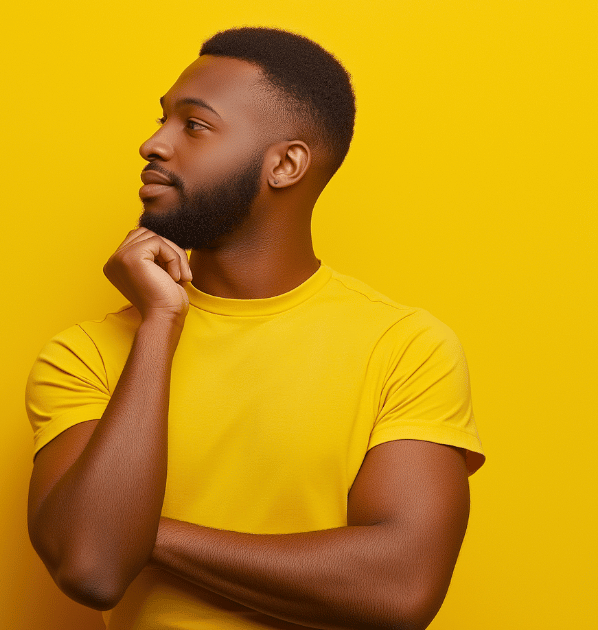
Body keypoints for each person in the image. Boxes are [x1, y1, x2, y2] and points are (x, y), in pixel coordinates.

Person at [24, 27, 485, 630]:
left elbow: (399, 589)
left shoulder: (406, 348)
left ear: (286, 164)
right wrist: (161, 321)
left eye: (194, 125)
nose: (152, 144)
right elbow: (94, 568)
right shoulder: (84, 354)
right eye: (162, 119)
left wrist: (138, 530)